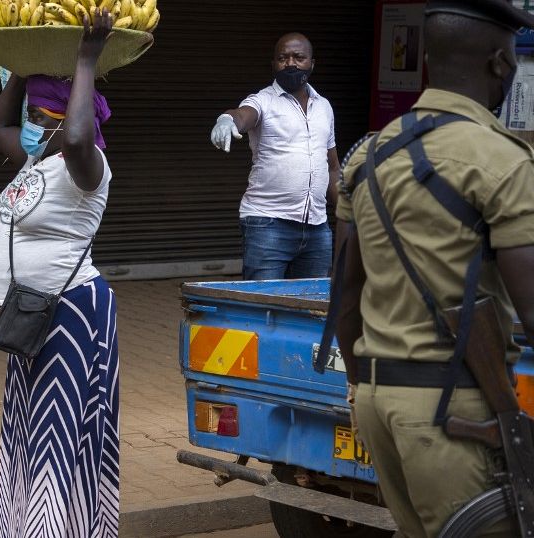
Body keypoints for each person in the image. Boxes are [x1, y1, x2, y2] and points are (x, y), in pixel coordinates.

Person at [333, 1, 534, 536]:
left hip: (377, 404)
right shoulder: (502, 160)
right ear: (500, 64)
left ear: (425, 60)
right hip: (456, 411)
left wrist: (362, 390)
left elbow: (345, 300)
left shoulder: (368, 155)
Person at [0, 9, 119, 537]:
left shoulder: (88, 166)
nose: (34, 125)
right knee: (31, 431)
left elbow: (82, 138)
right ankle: (29, 526)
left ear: (69, 119)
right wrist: (23, 66)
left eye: (46, 117)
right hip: (32, 317)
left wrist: (86, 58)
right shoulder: (33, 159)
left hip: (71, 317)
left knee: (59, 434)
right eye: (33, 115)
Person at [210, 33, 339, 281]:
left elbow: (332, 167)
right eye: (283, 58)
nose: (290, 63)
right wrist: (228, 120)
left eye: (298, 57)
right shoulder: (263, 101)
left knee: (312, 310)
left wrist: (349, 213)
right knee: (262, 310)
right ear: (273, 65)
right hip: (268, 225)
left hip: (317, 229)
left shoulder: (324, 106)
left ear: (312, 63)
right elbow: (243, 115)